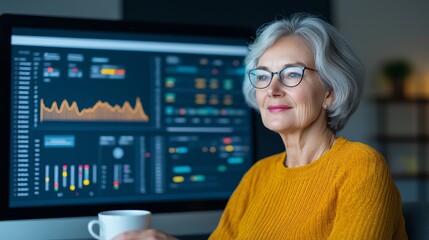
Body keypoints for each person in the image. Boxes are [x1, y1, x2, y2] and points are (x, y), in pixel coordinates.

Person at [113, 13, 407, 240]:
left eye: (292, 74)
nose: (273, 89)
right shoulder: (257, 177)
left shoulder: (361, 167)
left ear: (330, 92)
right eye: (263, 76)